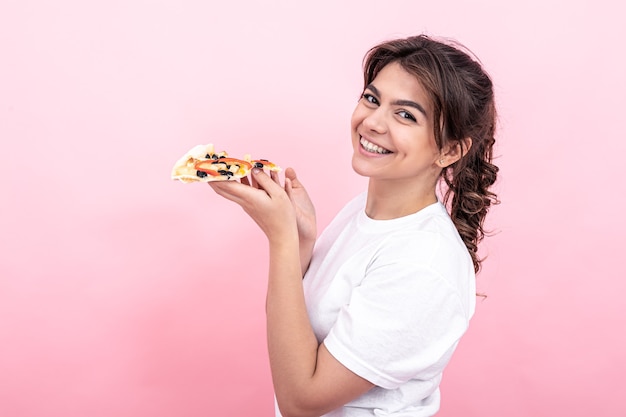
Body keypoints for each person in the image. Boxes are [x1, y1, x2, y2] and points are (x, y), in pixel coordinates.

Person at [210, 34, 499, 417]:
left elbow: (301, 402)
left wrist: (279, 237)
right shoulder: (363, 212)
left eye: (406, 114)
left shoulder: (423, 266)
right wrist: (300, 241)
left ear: (450, 150)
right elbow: (293, 335)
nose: (373, 122)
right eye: (372, 98)